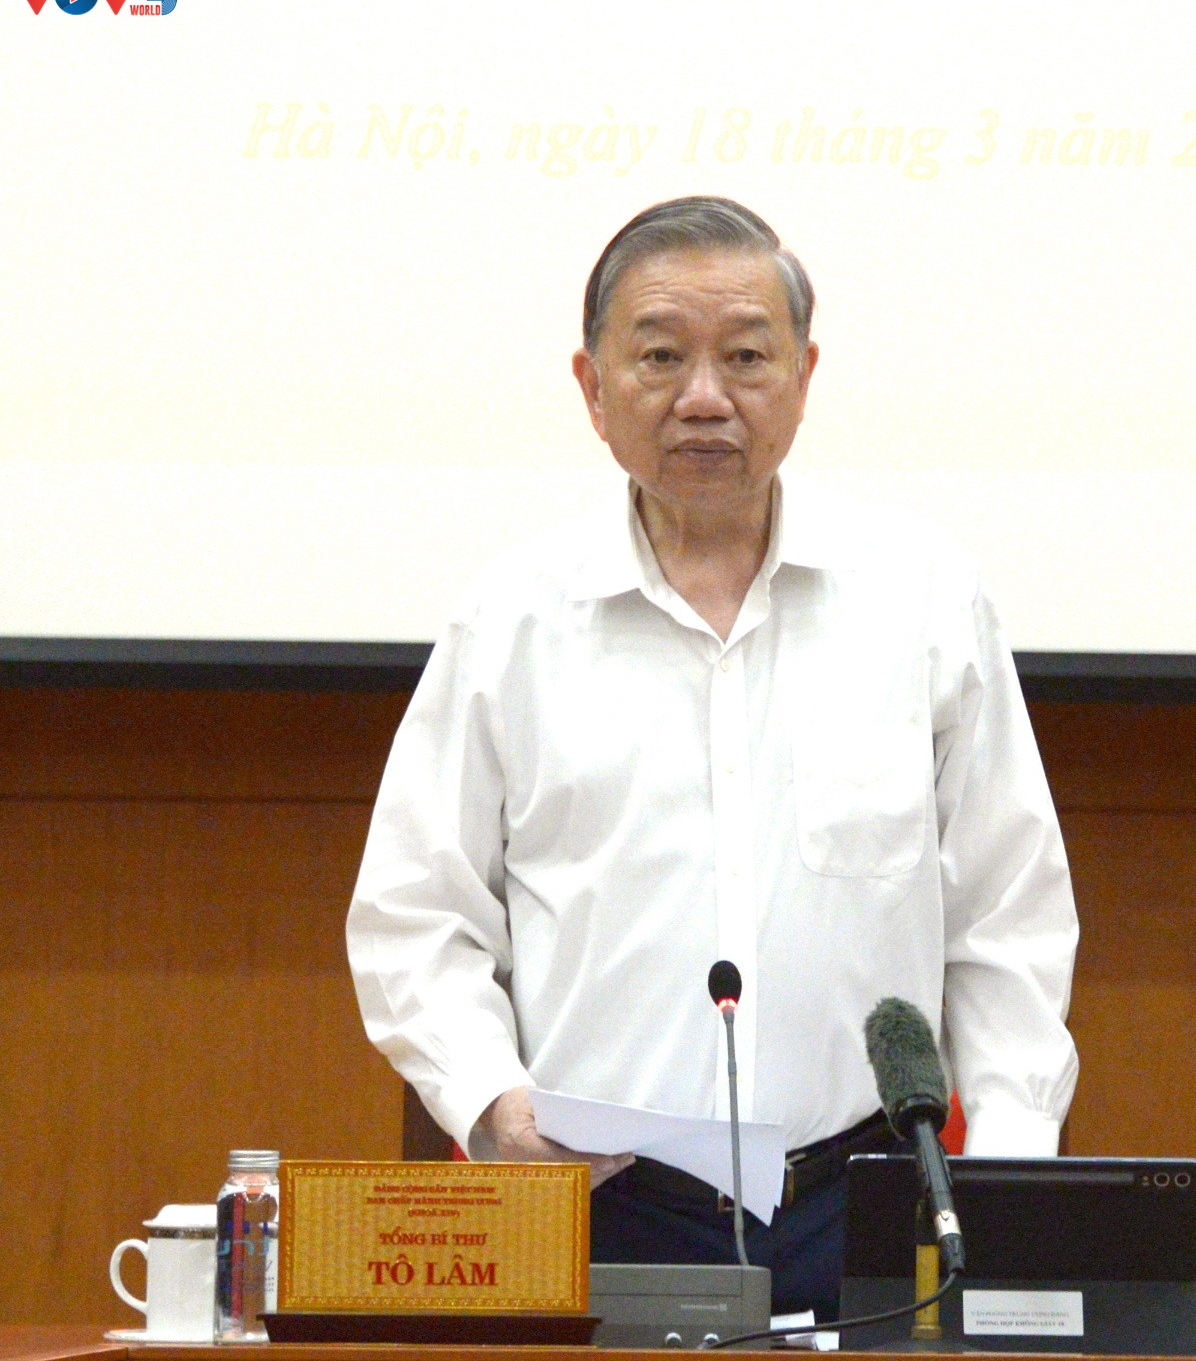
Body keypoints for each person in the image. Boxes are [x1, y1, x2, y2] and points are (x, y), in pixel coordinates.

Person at [346, 196, 1079, 1320]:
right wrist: (492, 1100)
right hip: (597, 1204)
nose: (703, 396)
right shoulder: (512, 623)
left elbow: (1006, 914)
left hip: (867, 1198)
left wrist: (1008, 1180)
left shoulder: (921, 600)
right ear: (592, 388)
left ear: (803, 376)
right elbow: (415, 913)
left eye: (744, 356)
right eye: (659, 357)